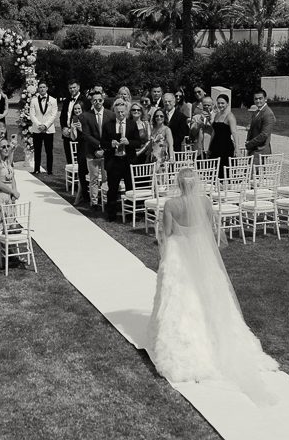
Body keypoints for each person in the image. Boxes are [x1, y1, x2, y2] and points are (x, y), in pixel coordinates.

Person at [146, 168, 278, 401]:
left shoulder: (171, 205)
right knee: (211, 295)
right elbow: (209, 228)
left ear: (178, 183)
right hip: (202, 252)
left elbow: (166, 234)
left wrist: (162, 246)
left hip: (179, 252)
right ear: (195, 183)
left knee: (179, 298)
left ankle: (185, 347)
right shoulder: (205, 202)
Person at [78, 90, 111, 205]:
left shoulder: (110, 115)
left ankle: (106, 202)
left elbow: (111, 134)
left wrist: (104, 149)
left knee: (106, 178)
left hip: (107, 152)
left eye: (100, 100)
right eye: (95, 100)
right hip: (92, 152)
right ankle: (95, 203)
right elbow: (86, 135)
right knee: (94, 179)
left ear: (103, 100)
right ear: (91, 101)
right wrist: (99, 146)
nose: (98, 102)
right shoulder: (85, 116)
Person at [103, 99, 132, 222]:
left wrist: (129, 142)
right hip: (113, 160)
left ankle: (130, 213)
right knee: (113, 188)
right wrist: (110, 143)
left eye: (123, 112)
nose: (120, 114)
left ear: (126, 112)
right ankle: (111, 214)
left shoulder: (131, 124)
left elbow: (138, 141)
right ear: (114, 111)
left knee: (130, 187)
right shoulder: (108, 125)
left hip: (127, 160)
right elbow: (102, 142)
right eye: (118, 112)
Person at [0, 136, 20, 229]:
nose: (6, 149)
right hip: (0, 197)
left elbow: (12, 177)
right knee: (1, 228)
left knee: (11, 226)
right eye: (3, 147)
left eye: (8, 146)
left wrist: (15, 191)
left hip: (10, 197)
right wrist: (13, 192)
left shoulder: (6, 161)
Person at [29, 80, 58, 175]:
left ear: (47, 88)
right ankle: (36, 169)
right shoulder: (33, 100)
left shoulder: (53, 100)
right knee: (37, 150)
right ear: (38, 89)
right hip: (37, 129)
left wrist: (45, 125)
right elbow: (32, 115)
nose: (42, 89)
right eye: (40, 87)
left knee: (49, 151)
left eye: (44, 87)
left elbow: (53, 115)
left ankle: (49, 170)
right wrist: (39, 125)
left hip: (48, 129)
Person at [58, 80, 87, 167]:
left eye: (74, 87)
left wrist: (73, 128)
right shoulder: (67, 100)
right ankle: (72, 176)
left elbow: (85, 116)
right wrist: (64, 128)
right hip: (66, 133)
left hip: (78, 134)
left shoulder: (84, 100)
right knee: (69, 158)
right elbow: (62, 116)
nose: (72, 89)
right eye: (70, 88)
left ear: (78, 87)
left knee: (80, 158)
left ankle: (80, 178)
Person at [209, 94, 237, 178]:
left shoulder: (230, 116)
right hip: (215, 146)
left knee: (224, 172)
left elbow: (234, 133)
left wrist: (237, 148)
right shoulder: (217, 115)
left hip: (225, 147)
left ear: (227, 104)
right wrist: (209, 147)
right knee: (214, 171)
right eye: (218, 103)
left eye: (222, 103)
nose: (220, 105)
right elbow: (214, 132)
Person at [244, 89, 275, 163]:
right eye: (256, 99)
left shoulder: (268, 114)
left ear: (265, 99)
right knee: (250, 173)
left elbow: (264, 135)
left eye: (260, 98)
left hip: (260, 150)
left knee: (252, 173)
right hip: (254, 149)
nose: (258, 101)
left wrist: (250, 143)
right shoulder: (257, 112)